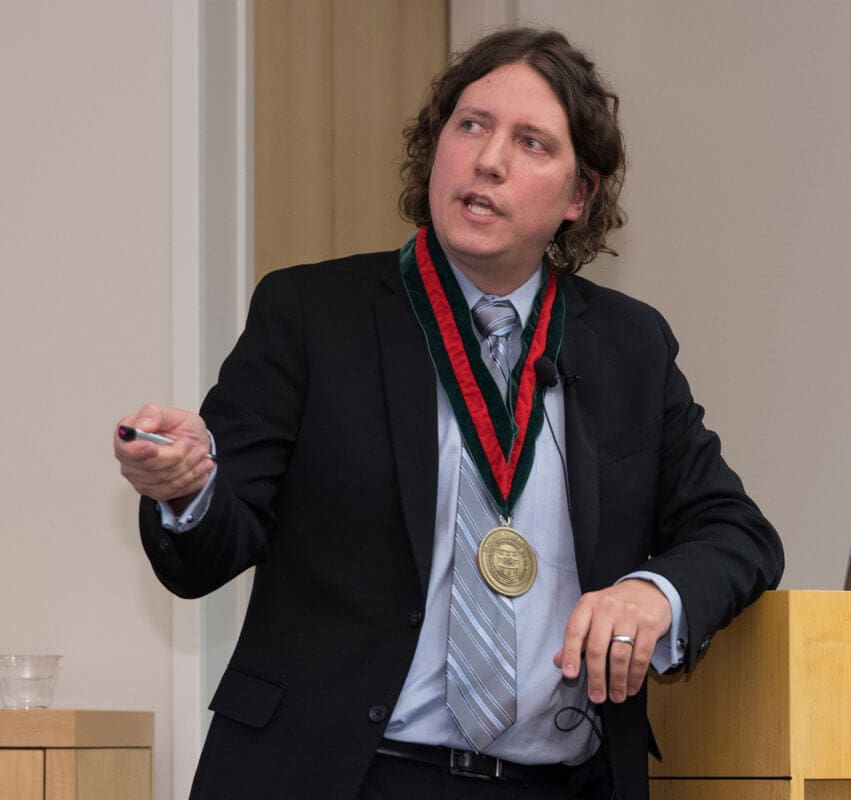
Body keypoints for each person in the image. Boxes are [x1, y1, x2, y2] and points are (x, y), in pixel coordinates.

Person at [115, 27, 783, 800]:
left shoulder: (628, 346)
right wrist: (189, 488)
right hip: (344, 775)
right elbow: (207, 554)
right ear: (436, 148)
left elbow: (738, 534)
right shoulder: (311, 315)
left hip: (558, 783)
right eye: (471, 125)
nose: (488, 159)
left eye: (532, 142)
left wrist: (653, 594)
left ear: (578, 196)